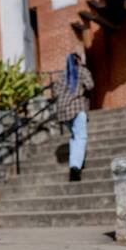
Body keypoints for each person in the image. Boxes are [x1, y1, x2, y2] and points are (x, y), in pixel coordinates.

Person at [55, 50, 94, 181]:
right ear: (78, 60)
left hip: (63, 111)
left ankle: (77, 161)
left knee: (74, 137)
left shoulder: (62, 75)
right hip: (77, 108)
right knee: (81, 137)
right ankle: (75, 168)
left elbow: (56, 91)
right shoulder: (81, 71)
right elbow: (90, 85)